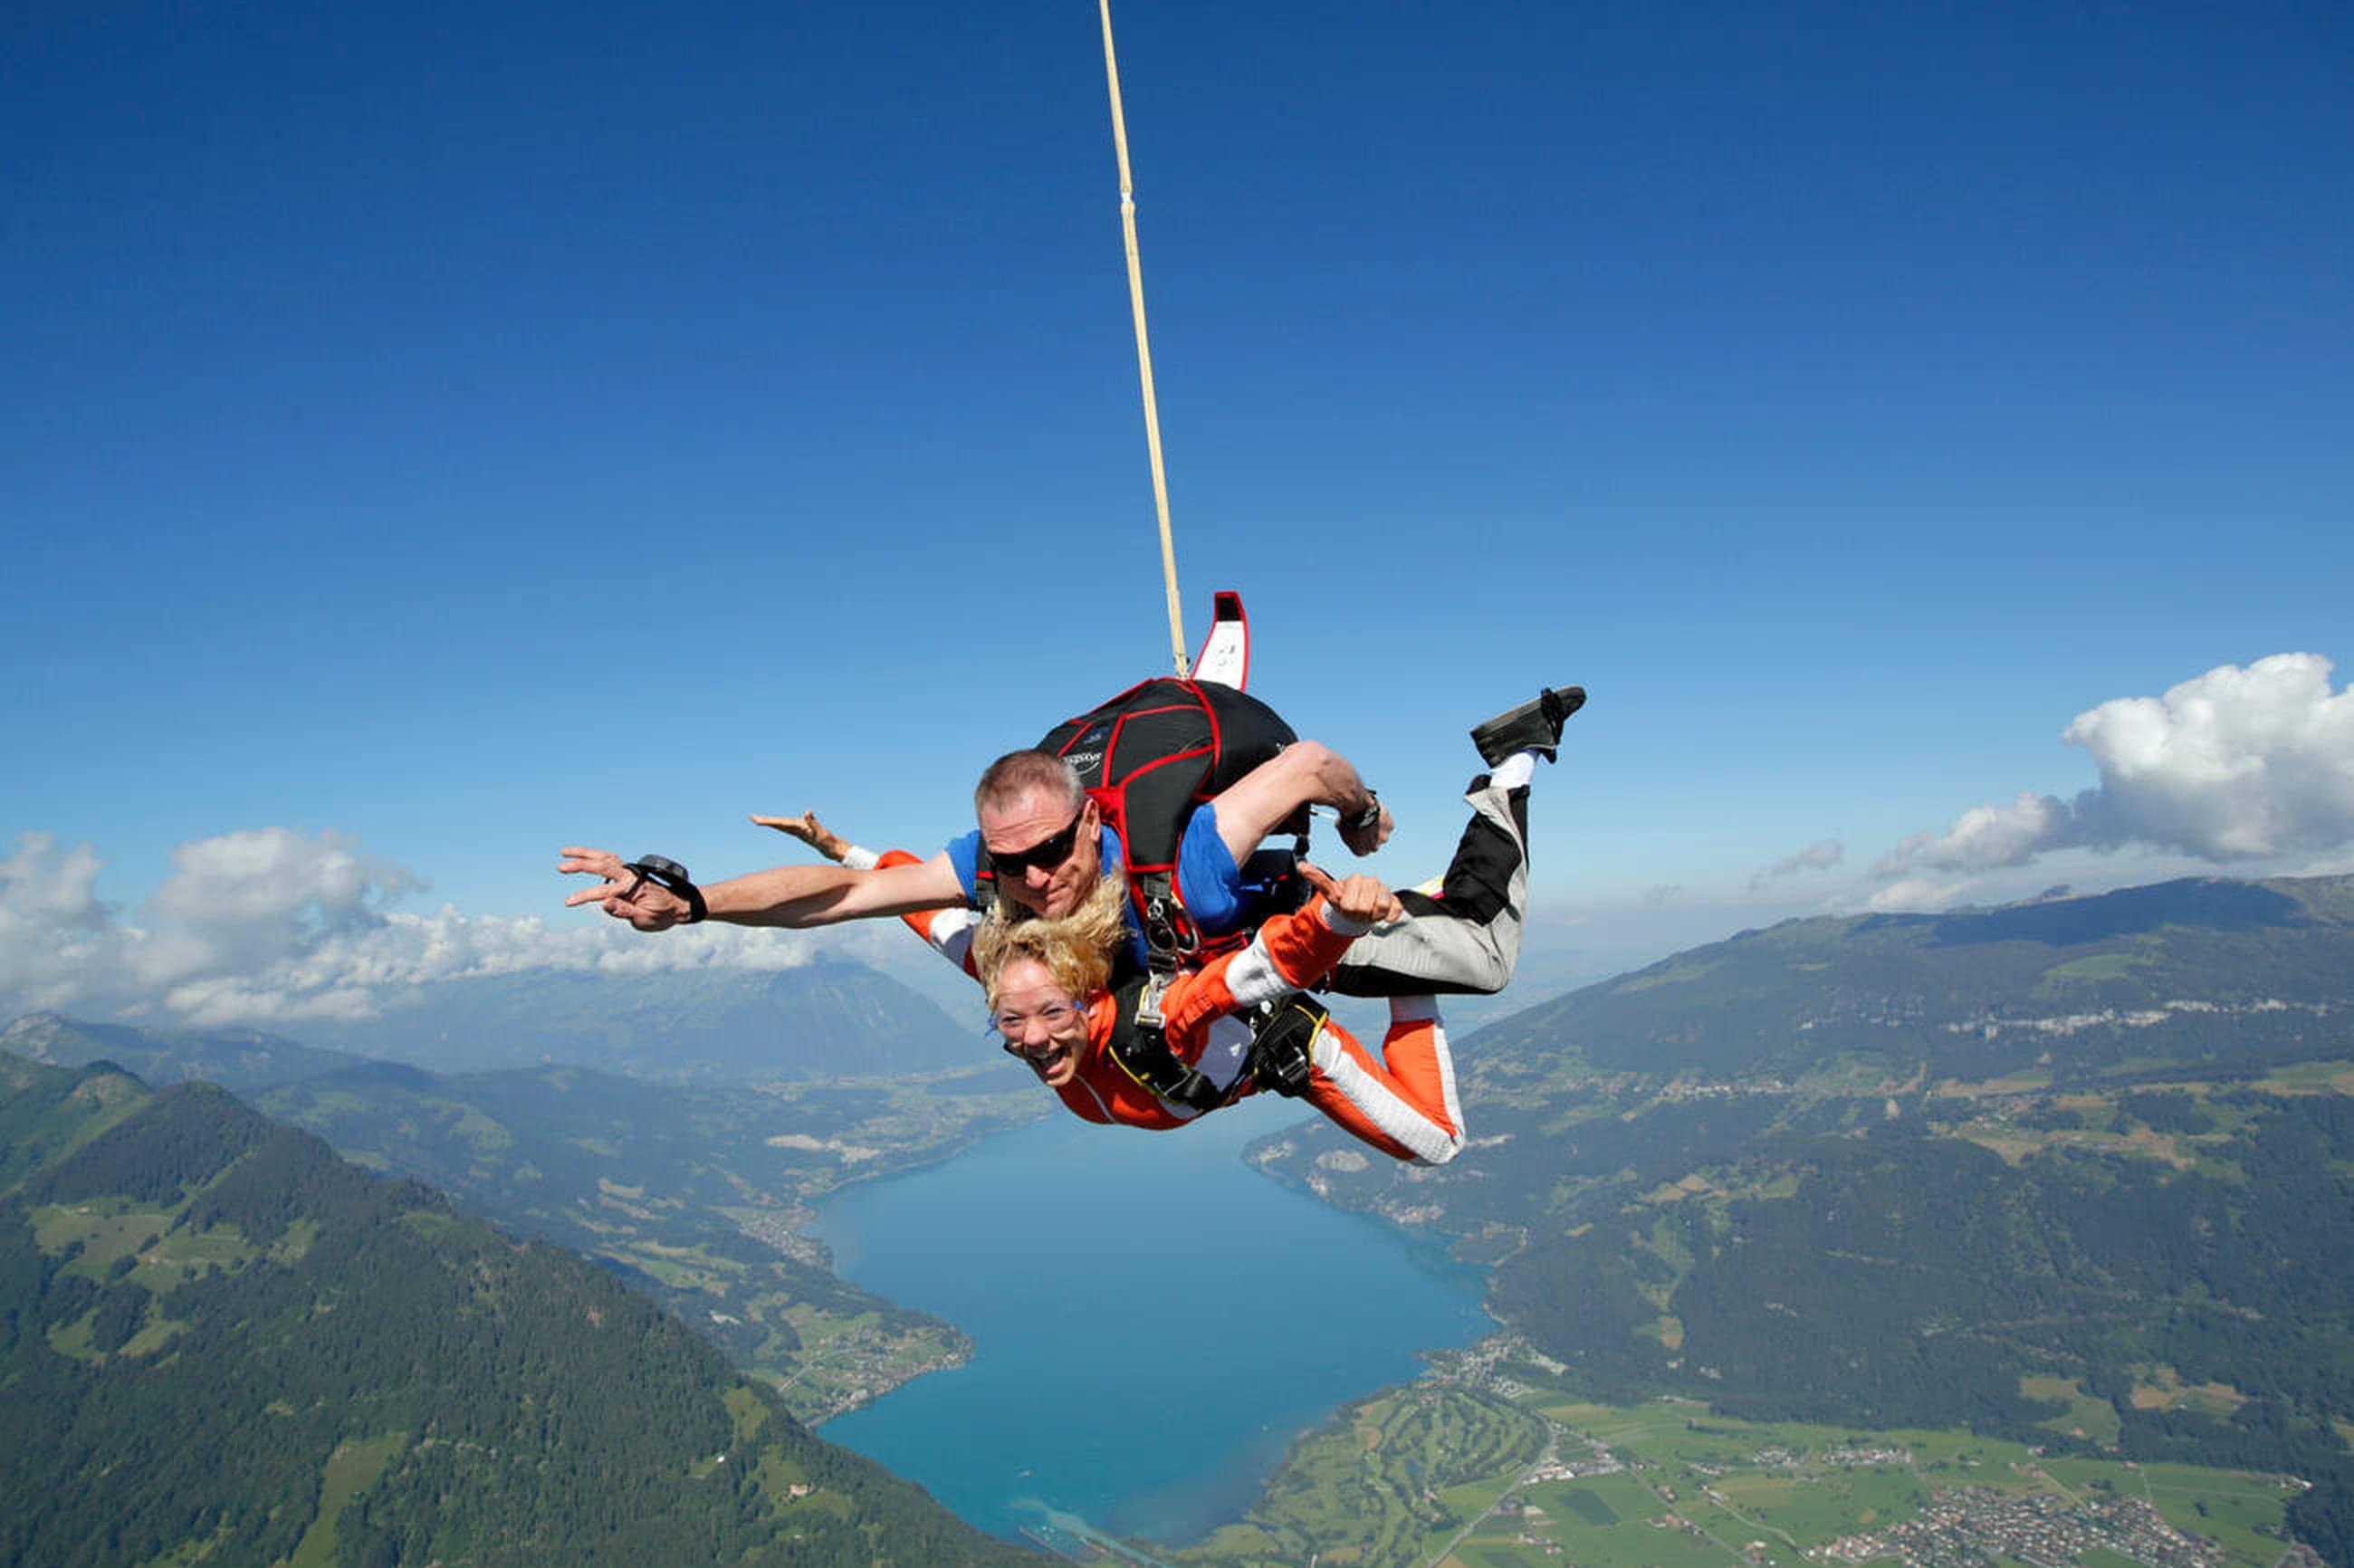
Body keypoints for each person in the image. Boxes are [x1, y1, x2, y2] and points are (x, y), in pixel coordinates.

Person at [560, 684, 1582, 998]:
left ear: (1090, 818)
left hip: (1256, 930)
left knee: (1483, 957)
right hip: (1162, 958)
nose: (1037, 879)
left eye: (1053, 850)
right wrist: (691, 907)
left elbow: (1311, 764)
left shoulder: (1186, 860)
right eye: (1011, 863)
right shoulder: (996, 865)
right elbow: (833, 897)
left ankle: (1507, 766)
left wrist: (1359, 815)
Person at [973, 859, 1467, 1164]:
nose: (1032, 1037)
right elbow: (911, 895)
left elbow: (1257, 970)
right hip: (1247, 1056)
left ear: (1085, 995)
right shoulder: (1018, 984)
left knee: (1436, 1143)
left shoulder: (1161, 1023)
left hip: (1289, 1047)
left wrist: (1337, 920)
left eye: (1054, 1013)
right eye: (1011, 1020)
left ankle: (1408, 946)